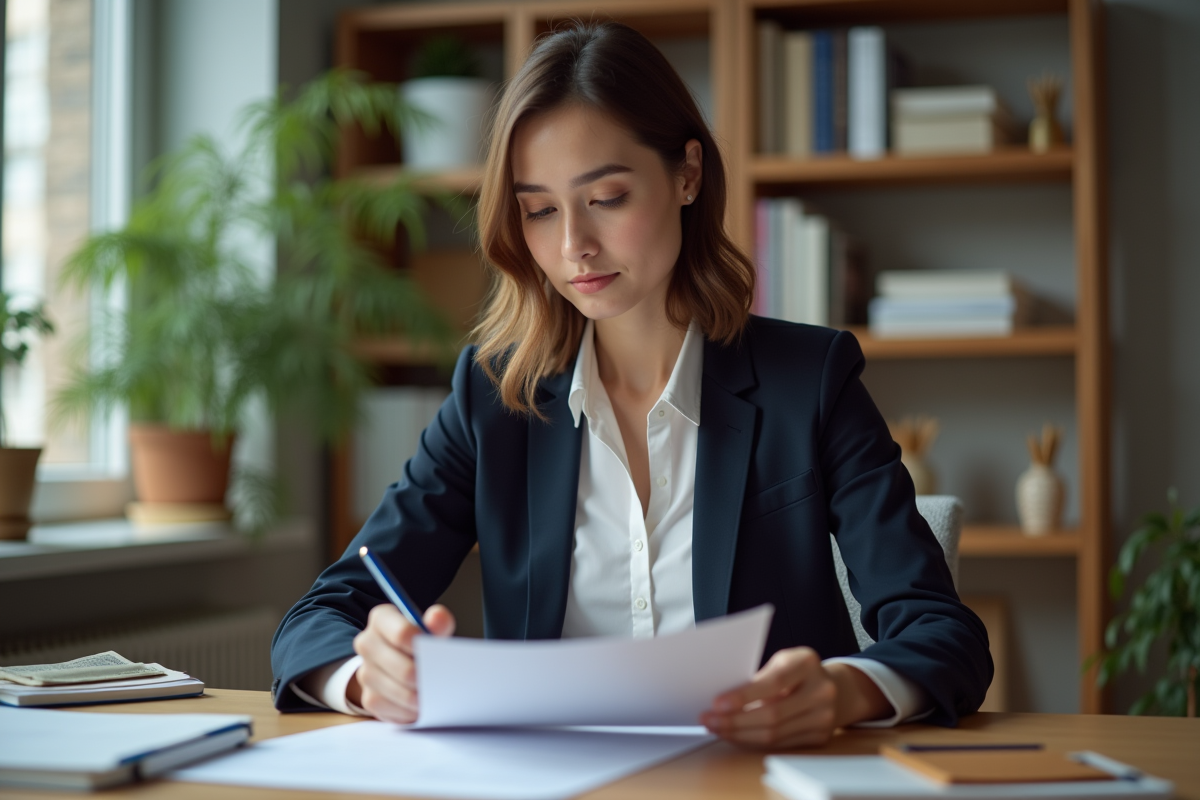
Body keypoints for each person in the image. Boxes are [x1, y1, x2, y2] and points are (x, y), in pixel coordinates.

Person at [271, 21, 992, 748]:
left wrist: (843, 690)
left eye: (607, 197)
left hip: (753, 784)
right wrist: (366, 676)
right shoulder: (492, 399)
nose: (572, 245)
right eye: (540, 210)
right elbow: (320, 618)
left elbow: (942, 632)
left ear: (687, 174)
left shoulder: (811, 381)